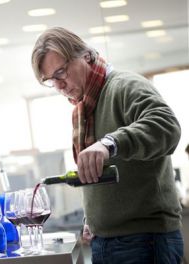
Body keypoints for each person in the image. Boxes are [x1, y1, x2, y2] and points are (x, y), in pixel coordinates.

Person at [31, 27, 183, 263]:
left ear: (86, 56)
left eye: (61, 72)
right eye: (51, 80)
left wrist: (109, 143)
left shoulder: (125, 86)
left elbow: (167, 127)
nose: (59, 85)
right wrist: (92, 219)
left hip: (143, 242)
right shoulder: (85, 108)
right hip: (104, 242)